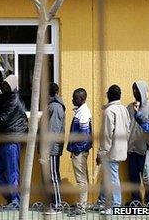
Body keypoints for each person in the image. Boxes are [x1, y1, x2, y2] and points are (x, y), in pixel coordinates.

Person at [0, 74, 28, 210]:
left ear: (13, 87)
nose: (4, 87)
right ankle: (11, 197)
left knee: (12, 171)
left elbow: (2, 118)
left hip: (13, 138)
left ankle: (15, 201)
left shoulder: (14, 99)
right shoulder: (6, 97)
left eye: (7, 86)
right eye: (3, 85)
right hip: (6, 138)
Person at [96, 85, 130, 215]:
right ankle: (102, 201)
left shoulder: (110, 111)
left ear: (108, 95)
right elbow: (127, 130)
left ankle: (116, 205)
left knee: (113, 177)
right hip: (121, 149)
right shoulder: (124, 110)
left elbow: (106, 134)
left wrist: (101, 153)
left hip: (111, 151)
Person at [125, 81, 149, 206]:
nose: (135, 92)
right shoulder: (129, 107)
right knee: (133, 179)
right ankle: (136, 201)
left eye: (137, 90)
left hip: (146, 150)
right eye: (133, 90)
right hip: (132, 149)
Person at [66, 88, 93, 216]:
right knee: (83, 179)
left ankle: (82, 207)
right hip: (81, 150)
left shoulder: (83, 113)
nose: (72, 99)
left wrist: (76, 150)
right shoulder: (81, 111)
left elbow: (83, 135)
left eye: (75, 98)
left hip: (79, 152)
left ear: (81, 99)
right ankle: (83, 203)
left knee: (81, 180)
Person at [40, 83, 66, 215]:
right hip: (51, 147)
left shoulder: (55, 107)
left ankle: (57, 205)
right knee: (51, 176)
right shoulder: (52, 105)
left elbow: (53, 130)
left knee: (53, 175)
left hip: (51, 148)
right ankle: (53, 202)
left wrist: (46, 150)